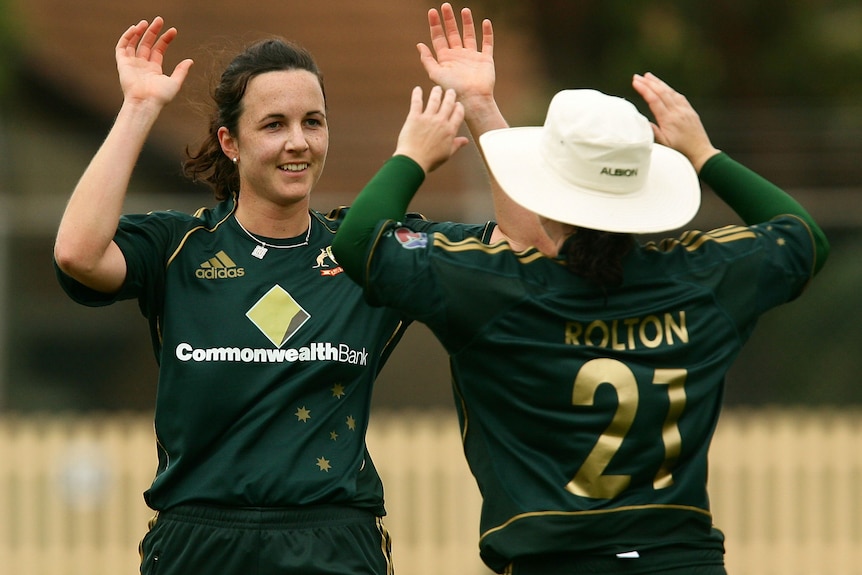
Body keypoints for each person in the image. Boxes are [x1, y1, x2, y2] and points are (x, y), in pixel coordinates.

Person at [331, 10, 830, 575]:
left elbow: (358, 242)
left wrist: (412, 156)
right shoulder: (702, 276)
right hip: (684, 562)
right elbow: (803, 237)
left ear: (544, 185)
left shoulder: (493, 288)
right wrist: (703, 152)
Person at [52, 15, 504, 575]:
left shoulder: (369, 251)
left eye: (313, 122)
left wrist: (481, 106)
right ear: (230, 142)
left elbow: (522, 241)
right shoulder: (180, 246)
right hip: (198, 540)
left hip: (333, 540)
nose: (298, 142)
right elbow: (78, 254)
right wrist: (140, 107)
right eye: (273, 124)